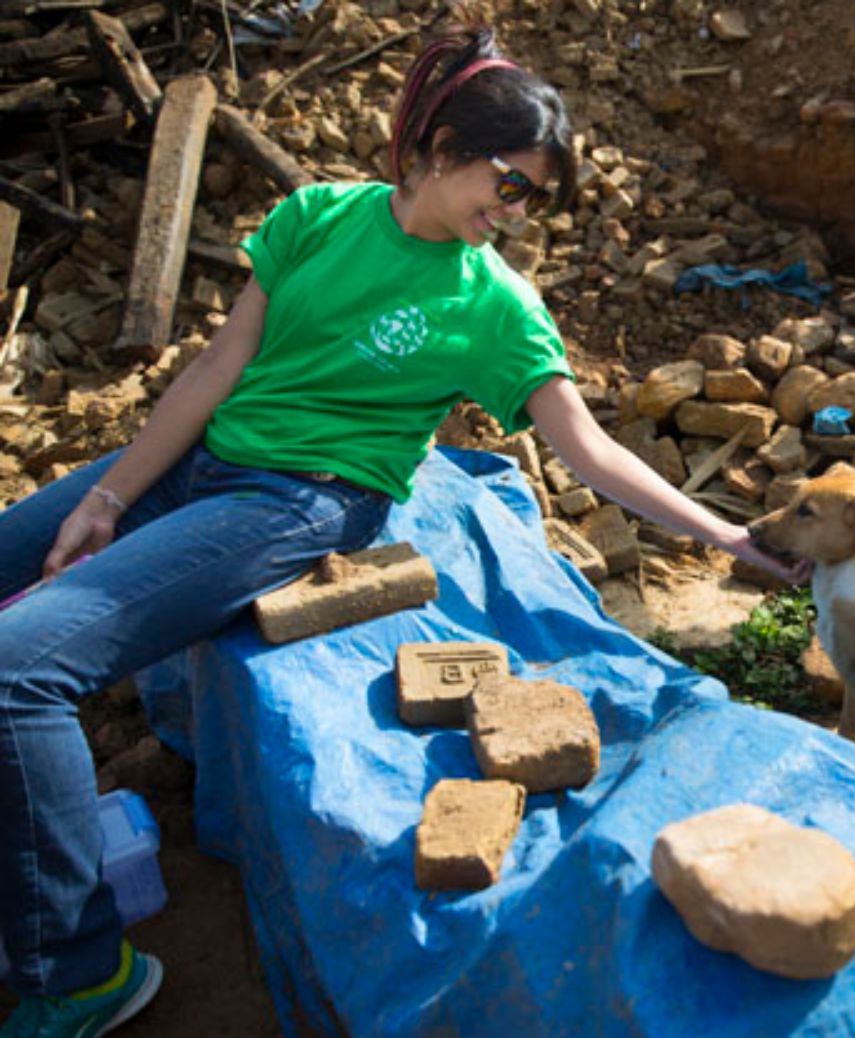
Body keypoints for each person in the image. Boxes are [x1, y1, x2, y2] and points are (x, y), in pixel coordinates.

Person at [0, 26, 801, 1036]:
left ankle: (81, 971)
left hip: (299, 503)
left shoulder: (493, 307)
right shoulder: (317, 217)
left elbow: (590, 454)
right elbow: (216, 370)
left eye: (534, 201)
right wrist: (111, 495)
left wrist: (726, 539)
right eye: (510, 185)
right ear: (442, 147)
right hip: (203, 463)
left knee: (17, 669)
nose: (515, 216)